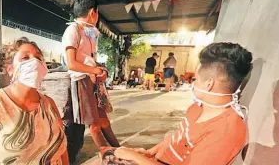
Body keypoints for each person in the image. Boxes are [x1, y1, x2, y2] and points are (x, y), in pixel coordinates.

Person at [104, 42, 252, 165]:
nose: (193, 84)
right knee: (107, 154)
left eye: (195, 80)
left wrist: (136, 158)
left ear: (209, 84)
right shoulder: (197, 108)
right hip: (155, 160)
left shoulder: (226, 132)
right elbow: (178, 137)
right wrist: (148, 153)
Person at [0, 37, 69, 165]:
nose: (34, 62)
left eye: (39, 58)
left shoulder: (49, 104)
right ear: (10, 69)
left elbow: (62, 150)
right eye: (25, 58)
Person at [62, 0, 120, 164]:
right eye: (97, 13)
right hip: (81, 82)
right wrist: (95, 71)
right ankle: (109, 158)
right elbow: (71, 63)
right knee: (94, 124)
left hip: (92, 81)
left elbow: (87, 59)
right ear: (92, 12)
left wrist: (99, 69)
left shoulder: (89, 31)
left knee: (103, 120)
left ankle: (120, 150)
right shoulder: (73, 30)